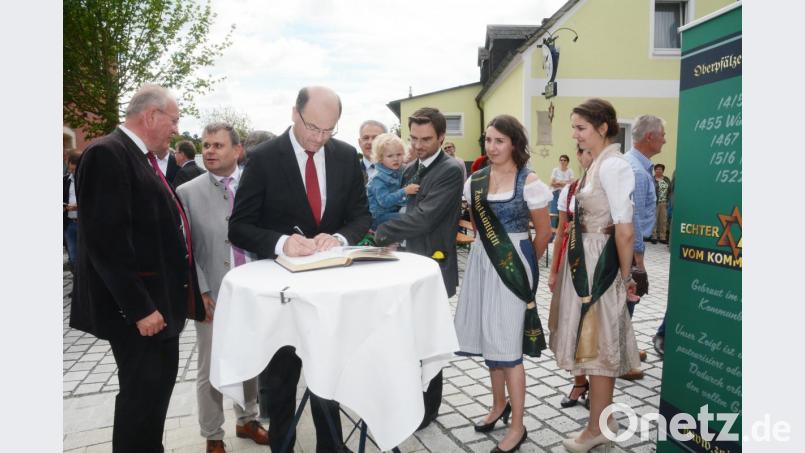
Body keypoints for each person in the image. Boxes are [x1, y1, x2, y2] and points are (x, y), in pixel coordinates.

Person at [229, 86, 371, 453]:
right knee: (281, 383)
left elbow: (361, 215)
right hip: (282, 297)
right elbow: (239, 226)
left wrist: (339, 237)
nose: (319, 138)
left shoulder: (345, 155)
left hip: (331, 290)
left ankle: (332, 448)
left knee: (329, 379)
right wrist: (281, 243)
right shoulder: (263, 158)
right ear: (295, 113)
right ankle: (283, 446)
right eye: (313, 128)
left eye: (329, 131)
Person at [71, 84, 205, 453]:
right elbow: (106, 243)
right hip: (142, 313)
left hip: (158, 304)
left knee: (153, 395)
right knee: (141, 398)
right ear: (151, 116)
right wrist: (140, 308)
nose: (176, 130)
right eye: (174, 120)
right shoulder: (107, 154)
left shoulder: (135, 155)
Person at [454, 114, 552, 453]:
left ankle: (518, 425)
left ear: (514, 143)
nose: (492, 146)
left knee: (509, 349)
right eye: (488, 140)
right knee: (491, 339)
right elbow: (479, 231)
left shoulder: (530, 182)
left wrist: (526, 267)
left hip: (513, 266)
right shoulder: (475, 181)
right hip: (484, 262)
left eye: (499, 140)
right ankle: (498, 405)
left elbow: (545, 232)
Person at [550, 98, 641, 452]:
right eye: (573, 127)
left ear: (602, 127)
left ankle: (598, 427)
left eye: (580, 128)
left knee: (599, 346)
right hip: (585, 259)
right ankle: (605, 420)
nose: (575, 134)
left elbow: (625, 229)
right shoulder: (599, 162)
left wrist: (624, 276)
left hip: (599, 264)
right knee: (592, 344)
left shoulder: (614, 166)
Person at [176, 123, 269, 453]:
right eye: (206, 145)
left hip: (254, 291)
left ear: (237, 150)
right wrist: (200, 292)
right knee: (210, 367)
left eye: (218, 145)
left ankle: (248, 420)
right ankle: (213, 434)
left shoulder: (257, 187)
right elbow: (186, 249)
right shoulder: (188, 192)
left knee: (250, 360)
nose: (210, 151)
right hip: (213, 294)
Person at [374, 107, 464, 430]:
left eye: (426, 139)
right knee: (407, 339)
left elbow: (425, 216)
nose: (419, 144)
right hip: (407, 263)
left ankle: (428, 410)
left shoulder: (451, 169)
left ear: (442, 137)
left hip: (432, 266)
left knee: (429, 341)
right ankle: (409, 399)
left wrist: (383, 232)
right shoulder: (411, 167)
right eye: (413, 138)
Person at [547, 146, 594, 409]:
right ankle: (579, 381)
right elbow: (561, 231)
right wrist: (553, 271)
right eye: (585, 153)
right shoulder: (570, 190)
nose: (590, 157)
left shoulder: (611, 186)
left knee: (593, 326)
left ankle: (596, 387)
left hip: (600, 265)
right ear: (579, 157)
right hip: (572, 263)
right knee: (571, 323)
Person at [621, 114, 666, 379]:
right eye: (662, 134)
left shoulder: (635, 164)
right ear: (650, 137)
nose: (665, 139)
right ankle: (621, 360)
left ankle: (627, 345)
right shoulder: (637, 172)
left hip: (627, 246)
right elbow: (633, 221)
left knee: (627, 300)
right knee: (627, 299)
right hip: (629, 249)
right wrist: (638, 262)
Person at [366, 133, 420, 230]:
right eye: (390, 156)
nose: (395, 159)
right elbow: (384, 201)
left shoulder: (399, 170)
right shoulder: (378, 178)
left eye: (399, 154)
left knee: (415, 212)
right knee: (411, 219)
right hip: (379, 218)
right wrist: (405, 191)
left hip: (394, 211)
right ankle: (396, 241)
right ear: (380, 158)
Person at [63, 148, 82, 270]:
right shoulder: (64, 181)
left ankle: (87, 287)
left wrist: (77, 206)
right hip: (69, 225)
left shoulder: (88, 180)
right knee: (73, 259)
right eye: (70, 169)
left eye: (75, 170)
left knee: (87, 258)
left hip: (85, 224)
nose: (72, 172)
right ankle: (78, 287)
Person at [549, 154, 575, 228]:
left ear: (567, 162)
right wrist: (566, 183)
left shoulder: (570, 171)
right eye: (561, 160)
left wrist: (559, 182)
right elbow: (551, 183)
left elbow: (572, 183)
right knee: (554, 213)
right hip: (556, 193)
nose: (562, 161)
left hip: (566, 195)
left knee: (565, 214)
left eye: (564, 160)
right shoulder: (555, 170)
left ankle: (564, 232)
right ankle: (553, 232)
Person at [651, 163, 672, 244]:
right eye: (657, 169)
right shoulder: (652, 179)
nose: (658, 171)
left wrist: (668, 201)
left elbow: (670, 191)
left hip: (664, 203)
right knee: (654, 220)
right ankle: (654, 236)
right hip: (654, 203)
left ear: (663, 171)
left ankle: (662, 237)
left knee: (663, 220)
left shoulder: (666, 179)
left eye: (660, 169)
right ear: (655, 170)